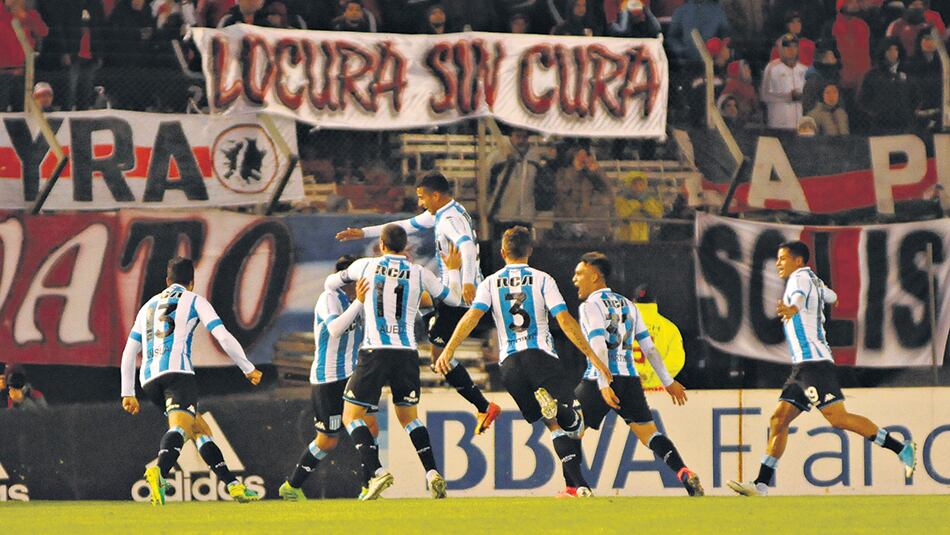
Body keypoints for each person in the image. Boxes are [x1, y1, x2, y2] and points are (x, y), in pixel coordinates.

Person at [436, 226, 616, 497]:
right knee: (574, 423)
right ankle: (559, 410)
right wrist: (593, 357)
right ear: (530, 250)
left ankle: (578, 486)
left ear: (502, 252)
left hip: (509, 366)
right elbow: (564, 320)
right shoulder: (543, 279)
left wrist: (448, 350)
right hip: (540, 356)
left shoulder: (490, 283)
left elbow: (472, 317)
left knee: (552, 425)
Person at [728, 241, 917, 497]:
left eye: (783, 258)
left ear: (797, 261)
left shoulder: (798, 279)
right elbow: (832, 296)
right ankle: (761, 484)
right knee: (778, 419)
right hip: (804, 367)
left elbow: (797, 299)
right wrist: (822, 298)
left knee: (838, 418)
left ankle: (900, 448)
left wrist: (793, 308)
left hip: (813, 365)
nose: (778, 263)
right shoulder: (812, 280)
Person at [336, 173, 502, 435]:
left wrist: (467, 280)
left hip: (456, 296)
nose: (421, 203)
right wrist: (363, 232)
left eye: (423, 197)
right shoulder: (446, 211)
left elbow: (468, 247)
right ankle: (483, 405)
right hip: (449, 292)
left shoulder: (448, 219)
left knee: (439, 360)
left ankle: (483, 406)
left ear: (436, 195)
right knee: (419, 299)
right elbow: (407, 225)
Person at [328, 224, 462, 500]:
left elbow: (331, 284)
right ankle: (432, 473)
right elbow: (454, 298)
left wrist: (347, 287)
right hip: (406, 352)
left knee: (351, 416)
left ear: (381, 244)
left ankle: (377, 472)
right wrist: (454, 270)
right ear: (406, 248)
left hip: (376, 350)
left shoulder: (366, 266)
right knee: (409, 418)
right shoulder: (419, 272)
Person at [120, 257, 263, 506]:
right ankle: (160, 472)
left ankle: (233, 485)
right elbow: (223, 336)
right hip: (178, 374)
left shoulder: (147, 307)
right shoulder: (195, 300)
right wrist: (247, 368)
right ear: (192, 282)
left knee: (200, 429)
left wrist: (127, 392)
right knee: (181, 429)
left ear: (167, 281)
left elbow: (129, 352)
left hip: (149, 380)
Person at [570, 253, 703, 496]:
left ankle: (577, 488)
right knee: (650, 434)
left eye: (579, 274)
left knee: (567, 427)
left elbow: (599, 345)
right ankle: (685, 473)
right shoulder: (628, 305)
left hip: (599, 380)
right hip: (629, 380)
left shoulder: (590, 306)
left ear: (595, 276)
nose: (574, 279)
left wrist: (603, 383)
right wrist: (669, 382)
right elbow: (649, 348)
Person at [278, 255, 379, 501]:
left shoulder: (356, 300)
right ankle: (292, 485)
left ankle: (369, 486)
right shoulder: (329, 299)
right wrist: (360, 303)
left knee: (371, 427)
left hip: (354, 374)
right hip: (328, 377)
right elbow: (335, 329)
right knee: (327, 441)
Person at [488, 128, 552, 229]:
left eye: (524, 137)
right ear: (510, 137)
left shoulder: (534, 158)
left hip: (526, 216)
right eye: (518, 136)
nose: (521, 140)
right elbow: (486, 183)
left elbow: (540, 185)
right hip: (503, 215)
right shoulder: (497, 157)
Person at [858, 37, 918, 134]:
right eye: (889, 49)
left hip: (904, 127)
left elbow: (916, 97)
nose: (893, 53)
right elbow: (863, 100)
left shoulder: (908, 74)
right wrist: (876, 113)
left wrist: (908, 114)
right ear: (883, 52)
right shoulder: (872, 75)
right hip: (880, 128)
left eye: (896, 49)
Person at [761, 33, 808, 130]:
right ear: (781, 49)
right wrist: (789, 97)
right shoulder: (772, 67)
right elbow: (764, 96)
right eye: (787, 47)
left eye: (794, 46)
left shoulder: (803, 69)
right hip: (777, 124)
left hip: (799, 124)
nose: (791, 50)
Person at [614, 173, 663, 242]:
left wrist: (645, 202)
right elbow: (620, 214)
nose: (638, 187)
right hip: (625, 238)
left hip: (643, 237)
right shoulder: (621, 199)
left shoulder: (649, 200)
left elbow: (658, 214)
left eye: (641, 185)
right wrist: (635, 202)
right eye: (634, 184)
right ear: (629, 185)